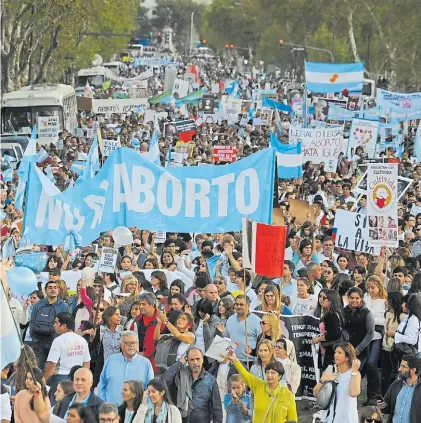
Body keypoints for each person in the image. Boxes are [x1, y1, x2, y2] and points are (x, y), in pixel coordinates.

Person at [226, 348, 297, 423]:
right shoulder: (258, 385)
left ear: (279, 376)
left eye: (273, 373)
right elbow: (246, 375)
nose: (269, 375)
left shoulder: (287, 394)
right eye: (267, 372)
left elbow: (293, 420)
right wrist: (234, 360)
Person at [164, 347, 223, 423]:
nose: (195, 362)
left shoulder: (210, 380)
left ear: (202, 360)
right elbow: (166, 379)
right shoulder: (179, 375)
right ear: (187, 361)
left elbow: (217, 410)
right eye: (192, 360)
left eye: (198, 359)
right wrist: (179, 363)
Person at [44, 313, 91, 405]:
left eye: (56, 322)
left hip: (60, 378)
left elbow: (52, 365)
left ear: (64, 325)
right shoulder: (82, 340)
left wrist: (43, 380)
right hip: (77, 379)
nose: (54, 325)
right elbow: (86, 363)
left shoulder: (58, 341)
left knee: (56, 408)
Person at [98, 330, 154, 405]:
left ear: (137, 345)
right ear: (121, 345)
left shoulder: (145, 363)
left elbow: (150, 389)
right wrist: (104, 404)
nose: (131, 345)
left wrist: (144, 408)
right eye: (127, 343)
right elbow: (102, 384)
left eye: (134, 343)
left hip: (136, 411)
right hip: (112, 410)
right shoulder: (111, 360)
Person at [313, 342, 361, 423]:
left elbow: (354, 393)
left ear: (347, 357)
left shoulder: (354, 373)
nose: (335, 355)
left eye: (339, 353)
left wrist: (354, 371)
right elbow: (316, 394)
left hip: (346, 418)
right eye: (335, 352)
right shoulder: (329, 370)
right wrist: (322, 381)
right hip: (329, 418)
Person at [30, 280, 70, 370]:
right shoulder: (38, 305)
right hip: (38, 343)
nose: (53, 289)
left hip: (56, 343)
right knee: (36, 370)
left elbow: (68, 326)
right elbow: (32, 322)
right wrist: (34, 338)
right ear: (45, 290)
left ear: (58, 290)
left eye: (55, 287)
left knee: (53, 371)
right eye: (50, 287)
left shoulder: (64, 306)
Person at [363, 275, 387, 405]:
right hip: (365, 335)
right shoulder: (365, 299)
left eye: (373, 287)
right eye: (369, 287)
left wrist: (372, 320)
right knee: (366, 365)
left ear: (379, 287)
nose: (371, 290)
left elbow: (385, 321)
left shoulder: (384, 301)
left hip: (377, 336)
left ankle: (375, 394)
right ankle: (369, 395)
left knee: (372, 364)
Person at [380, 354, 421, 423]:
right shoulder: (395, 385)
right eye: (400, 365)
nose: (399, 369)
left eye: (403, 366)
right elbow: (387, 409)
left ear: (413, 370)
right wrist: (382, 406)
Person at [312, 289, 346, 370]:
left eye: (324, 298)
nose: (321, 300)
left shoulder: (331, 315)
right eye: (320, 296)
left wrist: (318, 339)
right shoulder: (336, 313)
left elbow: (334, 334)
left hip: (331, 350)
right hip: (331, 349)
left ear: (331, 300)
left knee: (328, 376)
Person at [223, 295, 261, 366]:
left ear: (248, 305)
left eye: (241, 304)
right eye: (237, 304)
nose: (238, 307)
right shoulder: (231, 319)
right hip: (232, 360)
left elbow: (261, 342)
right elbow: (226, 339)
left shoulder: (257, 321)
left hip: (249, 361)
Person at [91, 306, 123, 387]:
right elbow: (93, 346)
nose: (119, 316)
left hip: (118, 367)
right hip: (103, 366)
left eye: (119, 314)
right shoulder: (101, 330)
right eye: (116, 314)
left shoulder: (123, 330)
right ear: (109, 317)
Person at [343, 287, 375, 369]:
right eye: (352, 298)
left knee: (355, 374)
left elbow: (370, 333)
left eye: (357, 298)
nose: (354, 300)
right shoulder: (343, 311)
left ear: (361, 299)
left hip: (360, 350)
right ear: (348, 298)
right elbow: (342, 328)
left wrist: (359, 348)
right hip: (345, 348)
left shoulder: (367, 313)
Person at [381, 292, 405, 395]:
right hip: (385, 348)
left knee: (395, 375)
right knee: (384, 375)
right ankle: (383, 397)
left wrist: (393, 334)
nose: (386, 301)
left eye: (388, 299)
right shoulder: (387, 313)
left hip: (395, 350)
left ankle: (393, 397)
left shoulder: (402, 316)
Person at [136, 292, 161, 371]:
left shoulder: (162, 319)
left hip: (155, 365)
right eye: (140, 304)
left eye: (144, 304)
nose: (140, 307)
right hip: (137, 362)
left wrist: (145, 354)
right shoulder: (137, 320)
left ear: (152, 305)